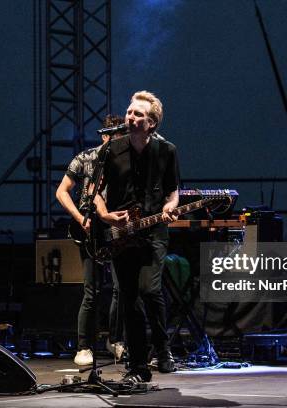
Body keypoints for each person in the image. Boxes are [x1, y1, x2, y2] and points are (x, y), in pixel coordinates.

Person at [95, 90, 179, 383]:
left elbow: (173, 191)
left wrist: (171, 206)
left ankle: (164, 349)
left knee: (149, 290)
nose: (130, 117)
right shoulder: (110, 150)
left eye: (138, 115)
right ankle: (138, 365)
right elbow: (93, 194)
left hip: (154, 232)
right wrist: (105, 215)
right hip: (122, 234)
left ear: (152, 123)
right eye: (129, 112)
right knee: (129, 298)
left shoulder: (166, 151)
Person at [55, 114, 126, 366]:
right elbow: (61, 191)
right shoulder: (85, 158)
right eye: (117, 139)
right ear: (106, 136)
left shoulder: (128, 163)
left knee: (122, 288)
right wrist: (79, 217)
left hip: (118, 229)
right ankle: (84, 346)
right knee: (92, 290)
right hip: (90, 230)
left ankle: (116, 340)